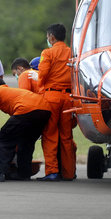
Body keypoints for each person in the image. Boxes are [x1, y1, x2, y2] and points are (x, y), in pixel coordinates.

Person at [0, 78, 50, 182]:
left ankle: (0, 173)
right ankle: (24, 173)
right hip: (45, 111)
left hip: (25, 110)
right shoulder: (13, 91)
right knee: (26, 142)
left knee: (2, 140)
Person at [36, 24, 76, 181]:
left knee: (50, 134)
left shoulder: (48, 53)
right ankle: (69, 172)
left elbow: (42, 75)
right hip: (69, 99)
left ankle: (52, 171)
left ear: (51, 37)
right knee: (67, 136)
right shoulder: (73, 53)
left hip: (51, 97)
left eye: (47, 37)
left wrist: (41, 90)